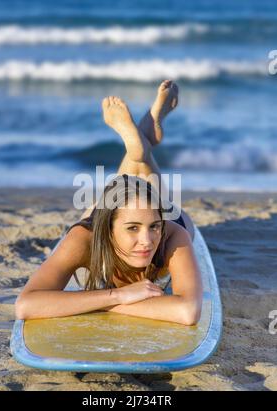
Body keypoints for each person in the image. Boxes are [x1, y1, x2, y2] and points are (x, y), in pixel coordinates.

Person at [15, 80, 203, 325]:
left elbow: (188, 312)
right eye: (132, 228)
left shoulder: (172, 235)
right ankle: (143, 142)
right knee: (119, 195)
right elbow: (25, 305)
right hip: (107, 219)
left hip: (161, 212)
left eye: (154, 227)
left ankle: (141, 144)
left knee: (140, 194)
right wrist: (121, 294)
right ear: (107, 230)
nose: (147, 241)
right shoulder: (84, 239)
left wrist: (105, 302)